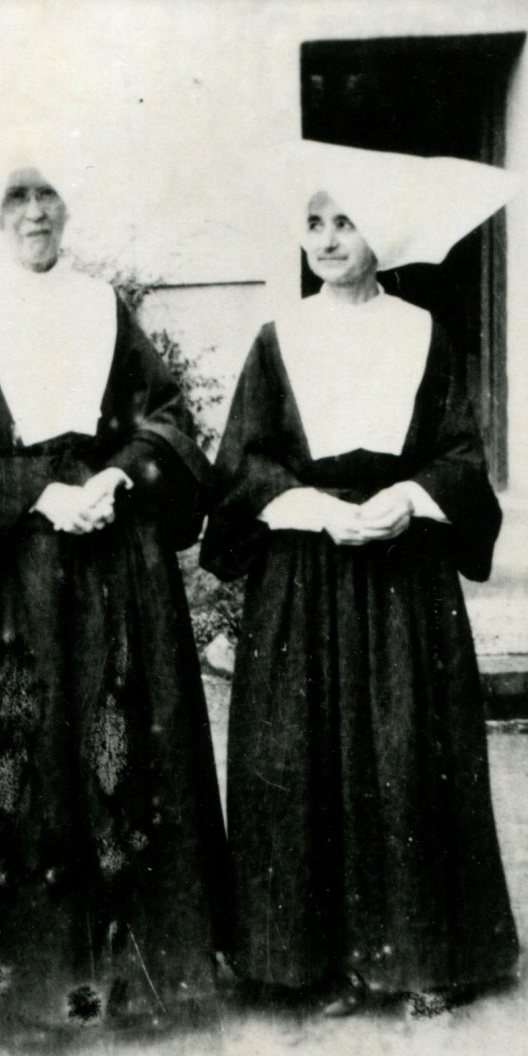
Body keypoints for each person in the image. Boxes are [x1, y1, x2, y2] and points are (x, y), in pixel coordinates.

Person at [201, 141, 520, 1015]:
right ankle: (315, 963)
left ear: (381, 234)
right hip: (303, 576)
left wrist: (412, 497)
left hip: (401, 577)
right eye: (315, 223)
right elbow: (243, 466)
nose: (329, 240)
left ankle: (421, 959)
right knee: (299, 756)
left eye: (346, 222)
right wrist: (313, 508)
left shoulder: (425, 333)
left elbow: (460, 454)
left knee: (406, 754)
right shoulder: (281, 337)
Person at [0, 158, 230, 1036]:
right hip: (19, 570)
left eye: (46, 197)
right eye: (16, 199)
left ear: (66, 209)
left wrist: (119, 477)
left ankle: (134, 975)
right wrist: (37, 495)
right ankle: (23, 983)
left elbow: (165, 415)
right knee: (22, 744)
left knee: (123, 733)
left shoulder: (105, 308)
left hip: (113, 555)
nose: (33, 214)